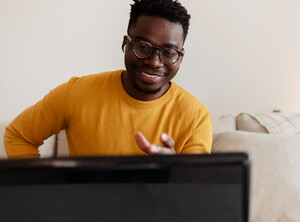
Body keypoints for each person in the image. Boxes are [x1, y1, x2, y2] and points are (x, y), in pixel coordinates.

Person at [4, 0, 213, 158]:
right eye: (142, 47)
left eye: (168, 52)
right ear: (125, 44)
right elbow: (18, 135)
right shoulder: (76, 92)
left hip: (156, 215)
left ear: (180, 57)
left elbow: (195, 199)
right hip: (83, 216)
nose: (154, 62)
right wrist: (45, 193)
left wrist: (175, 172)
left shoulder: (196, 117)